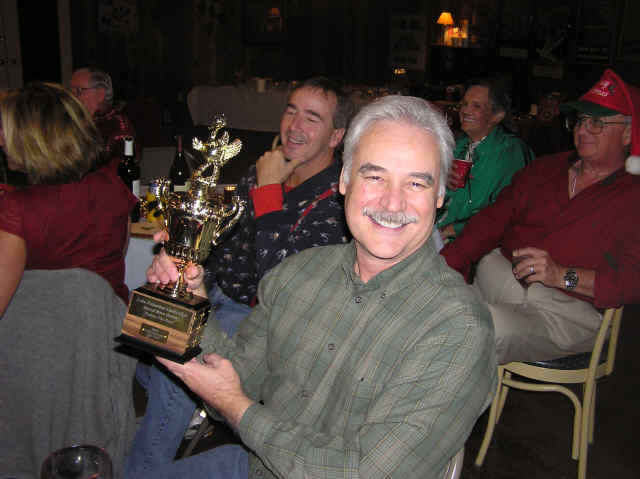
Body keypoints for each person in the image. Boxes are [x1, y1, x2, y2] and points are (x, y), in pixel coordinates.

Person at [123, 95, 496, 479]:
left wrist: (236, 407)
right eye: (374, 176)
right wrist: (190, 295)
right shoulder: (296, 274)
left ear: (439, 196)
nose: (392, 202)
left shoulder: (457, 328)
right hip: (253, 467)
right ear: (344, 180)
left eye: (416, 183)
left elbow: (364, 473)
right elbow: (237, 382)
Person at [441, 68, 640, 364]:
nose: (583, 130)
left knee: (475, 328)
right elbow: (491, 220)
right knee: (433, 307)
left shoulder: (632, 197)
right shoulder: (545, 170)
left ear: (628, 133)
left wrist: (563, 275)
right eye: (581, 120)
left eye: (597, 123)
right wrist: (443, 266)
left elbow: (633, 280)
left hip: (568, 310)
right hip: (501, 279)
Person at [152, 77, 354, 337]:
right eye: (291, 112)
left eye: (311, 119)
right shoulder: (259, 172)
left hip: (261, 321)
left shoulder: (339, 199)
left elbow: (283, 282)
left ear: (336, 136)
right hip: (212, 294)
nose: (294, 126)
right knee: (155, 333)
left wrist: (268, 191)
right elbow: (223, 246)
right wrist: (186, 255)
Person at [0, 82, 137, 315]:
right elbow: (115, 257)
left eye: (5, 130)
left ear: (31, 138)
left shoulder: (17, 209)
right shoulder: (113, 185)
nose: (1, 141)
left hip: (43, 331)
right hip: (108, 325)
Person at [437, 78, 534, 242]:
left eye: (476, 106)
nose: (465, 111)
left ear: (497, 116)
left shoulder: (510, 152)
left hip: (479, 241)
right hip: (439, 230)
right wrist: (441, 179)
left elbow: (507, 211)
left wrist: (454, 229)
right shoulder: (458, 146)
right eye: (464, 104)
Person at [70, 67, 137, 165]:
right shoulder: (73, 123)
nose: (72, 97)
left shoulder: (118, 126)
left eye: (78, 91)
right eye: (70, 92)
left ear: (100, 94)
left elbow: (121, 169)